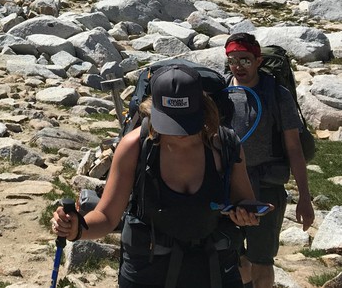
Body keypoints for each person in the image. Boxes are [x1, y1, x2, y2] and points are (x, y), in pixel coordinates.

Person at [51, 64, 262, 288]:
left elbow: (246, 204)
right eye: (171, 124)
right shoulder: (134, 146)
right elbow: (107, 216)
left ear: (203, 109)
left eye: (187, 124)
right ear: (154, 112)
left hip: (214, 269)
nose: (179, 133)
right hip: (148, 271)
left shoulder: (226, 145)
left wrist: (246, 214)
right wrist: (77, 229)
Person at [224, 33, 314, 288]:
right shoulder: (221, 90)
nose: (238, 66)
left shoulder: (277, 94)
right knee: (234, 255)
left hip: (265, 188)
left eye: (245, 60)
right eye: (232, 60)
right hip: (228, 185)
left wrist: (305, 199)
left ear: (259, 60)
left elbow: (294, 148)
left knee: (261, 259)